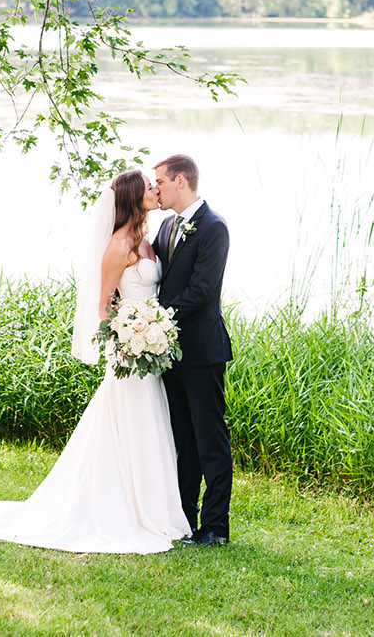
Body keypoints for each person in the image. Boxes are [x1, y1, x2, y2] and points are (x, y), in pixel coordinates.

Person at [0, 169, 191, 553]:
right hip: (129, 354)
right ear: (132, 198)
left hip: (147, 352)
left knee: (149, 427)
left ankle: (155, 512)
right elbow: (101, 306)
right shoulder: (117, 246)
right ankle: (127, 511)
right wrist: (130, 334)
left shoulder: (146, 238)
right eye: (148, 186)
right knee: (131, 425)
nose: (155, 189)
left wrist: (151, 329)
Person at [152, 153, 233, 546]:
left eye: (161, 183)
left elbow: (201, 291)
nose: (157, 190)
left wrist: (156, 317)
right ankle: (185, 519)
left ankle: (215, 526)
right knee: (182, 438)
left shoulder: (214, 227)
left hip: (201, 349)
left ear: (180, 180)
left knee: (209, 439)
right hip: (168, 351)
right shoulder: (167, 225)